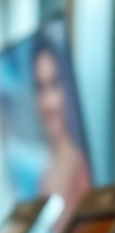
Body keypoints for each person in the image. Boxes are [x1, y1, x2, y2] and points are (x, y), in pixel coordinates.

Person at [33, 34, 91, 215]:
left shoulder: (82, 172)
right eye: (39, 87)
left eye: (54, 84)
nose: (47, 102)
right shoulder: (44, 175)